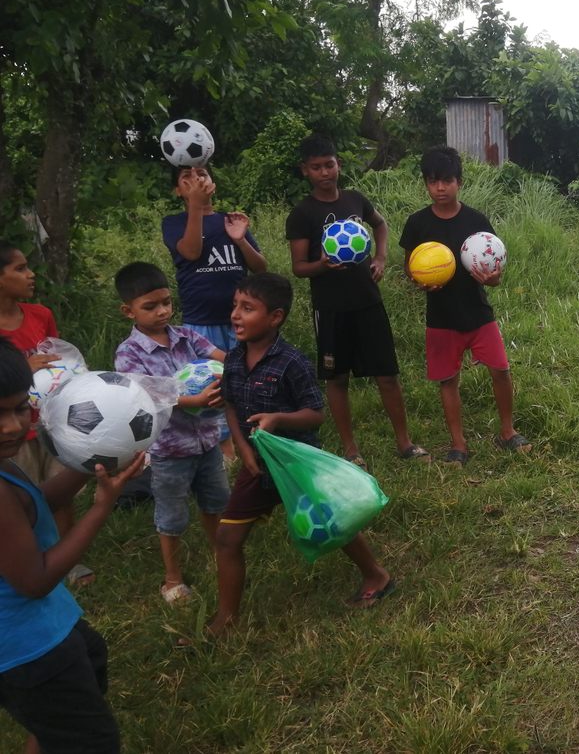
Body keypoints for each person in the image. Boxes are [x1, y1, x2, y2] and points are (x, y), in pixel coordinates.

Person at [202, 273, 393, 640]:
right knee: (227, 539)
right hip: (257, 467)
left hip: (297, 466)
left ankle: (376, 576)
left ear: (275, 317)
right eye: (235, 306)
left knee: (335, 524)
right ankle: (226, 618)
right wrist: (243, 448)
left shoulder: (292, 362)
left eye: (247, 308)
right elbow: (230, 404)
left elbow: (315, 414)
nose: (236, 315)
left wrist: (278, 419)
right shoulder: (235, 359)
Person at [0, 336, 146, 754]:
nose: (12, 426)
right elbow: (35, 580)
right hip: (25, 650)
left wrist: (91, 463)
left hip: (44, 626)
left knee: (90, 660)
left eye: (18, 408)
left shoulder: (5, 466)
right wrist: (101, 507)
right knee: (91, 742)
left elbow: (37, 505)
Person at [285, 134, 427, 468]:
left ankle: (405, 443)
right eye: (316, 167)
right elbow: (299, 267)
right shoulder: (302, 214)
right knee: (337, 378)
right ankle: (351, 450)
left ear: (339, 164)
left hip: (367, 301)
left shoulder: (354, 199)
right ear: (305, 170)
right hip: (331, 309)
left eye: (329, 165)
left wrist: (380, 257)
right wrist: (322, 265)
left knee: (387, 374)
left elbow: (380, 224)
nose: (325, 172)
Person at [399, 146, 530, 467]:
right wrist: (419, 281)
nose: (440, 188)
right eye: (432, 182)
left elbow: (494, 275)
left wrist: (493, 280)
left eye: (446, 181)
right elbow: (410, 267)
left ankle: (508, 432)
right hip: (441, 317)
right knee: (448, 380)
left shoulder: (476, 221)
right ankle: (458, 444)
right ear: (426, 184)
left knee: (501, 370)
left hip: (478, 312)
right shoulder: (417, 223)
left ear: (459, 182)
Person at [113, 262, 230, 603]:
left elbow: (220, 357)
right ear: (128, 311)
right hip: (169, 450)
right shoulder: (129, 353)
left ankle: (222, 556)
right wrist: (193, 399)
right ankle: (172, 578)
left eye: (166, 302)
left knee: (216, 503)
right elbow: (145, 394)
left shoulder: (186, 336)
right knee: (171, 515)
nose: (162, 311)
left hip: (208, 440)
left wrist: (232, 376)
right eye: (150, 306)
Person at [0, 242, 95, 587]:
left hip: (51, 422)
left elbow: (57, 358)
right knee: (20, 499)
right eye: (20, 268)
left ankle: (67, 561)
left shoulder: (40, 314)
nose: (31, 274)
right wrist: (23, 369)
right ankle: (27, 557)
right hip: (12, 433)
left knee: (60, 491)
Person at [161, 163, 268, 460]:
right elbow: (191, 252)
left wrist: (240, 239)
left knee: (247, 381)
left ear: (213, 183)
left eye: (202, 174)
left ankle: (255, 438)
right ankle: (223, 451)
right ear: (177, 191)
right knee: (210, 386)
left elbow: (260, 268)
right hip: (200, 324)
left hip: (241, 321)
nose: (196, 179)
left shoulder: (229, 221)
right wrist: (195, 207)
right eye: (186, 177)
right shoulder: (174, 223)